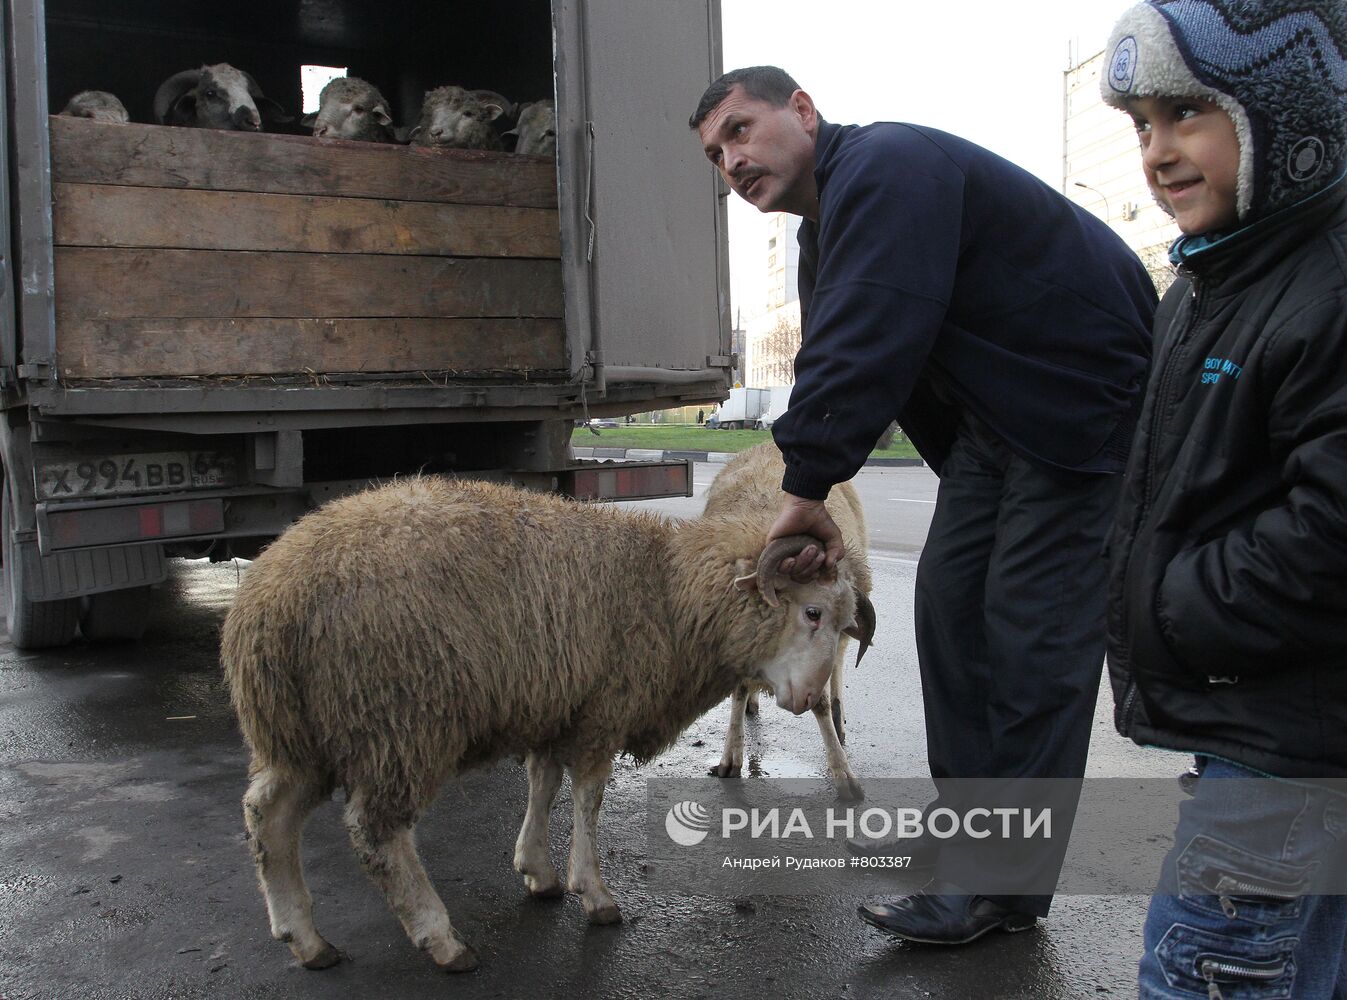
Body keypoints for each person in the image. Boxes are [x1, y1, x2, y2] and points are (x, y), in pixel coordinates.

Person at [689, 68, 1156, 944]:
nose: (732, 161)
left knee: (1026, 640)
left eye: (741, 131)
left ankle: (994, 883)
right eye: (717, 154)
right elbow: (842, 358)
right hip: (998, 430)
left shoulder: (888, 167)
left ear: (802, 111)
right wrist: (816, 486)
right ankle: (984, 857)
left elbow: (870, 336)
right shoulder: (824, 236)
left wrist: (803, 490)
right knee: (951, 618)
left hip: (1080, 406)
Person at [1100, 0, 1347, 993]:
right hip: (1274, 737)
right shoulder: (1216, 280)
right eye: (1140, 125)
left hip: (1284, 746)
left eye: (1187, 111)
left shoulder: (1323, 283)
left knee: (1211, 967)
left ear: (1286, 111)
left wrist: (1171, 602)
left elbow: (1331, 524)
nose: (1157, 151)